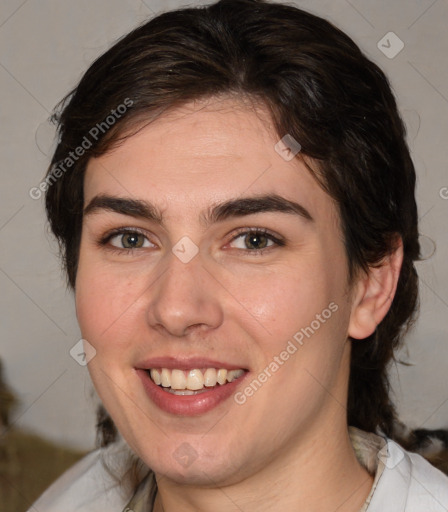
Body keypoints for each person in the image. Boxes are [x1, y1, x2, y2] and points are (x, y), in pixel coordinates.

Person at [29, 0, 448, 510]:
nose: (177, 309)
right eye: (130, 238)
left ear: (371, 284)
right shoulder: (73, 499)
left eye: (254, 240)